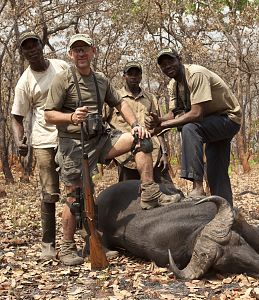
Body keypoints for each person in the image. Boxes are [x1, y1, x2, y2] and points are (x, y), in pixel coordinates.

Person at [44, 34, 181, 266]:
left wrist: (136, 126)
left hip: (100, 140)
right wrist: (70, 116)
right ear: (70, 54)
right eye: (76, 50)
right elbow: (48, 114)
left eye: (84, 49)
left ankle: (149, 192)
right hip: (74, 144)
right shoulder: (62, 79)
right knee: (76, 196)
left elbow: (120, 103)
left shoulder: (100, 80)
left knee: (142, 141)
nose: (81, 54)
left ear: (93, 51)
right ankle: (68, 246)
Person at [145, 48, 242, 206]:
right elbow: (173, 114)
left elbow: (196, 114)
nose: (167, 66)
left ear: (179, 59)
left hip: (228, 119)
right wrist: (159, 121)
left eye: (170, 61)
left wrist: (162, 126)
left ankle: (197, 187)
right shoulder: (173, 85)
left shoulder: (196, 74)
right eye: (163, 64)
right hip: (210, 122)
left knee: (190, 128)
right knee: (216, 170)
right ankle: (226, 209)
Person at [11, 30, 69, 260]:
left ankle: (86, 237)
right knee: (49, 192)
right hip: (43, 140)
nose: (32, 49)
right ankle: (48, 243)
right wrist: (19, 139)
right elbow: (17, 116)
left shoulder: (62, 66)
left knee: (76, 187)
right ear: (23, 53)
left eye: (34, 44)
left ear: (42, 45)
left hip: (69, 135)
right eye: (26, 47)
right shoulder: (24, 82)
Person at [107, 61, 181, 195]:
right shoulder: (114, 98)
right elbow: (103, 124)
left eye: (137, 74)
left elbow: (159, 126)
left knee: (169, 193)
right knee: (129, 197)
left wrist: (164, 153)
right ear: (124, 76)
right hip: (126, 158)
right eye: (130, 74)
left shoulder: (150, 98)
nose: (134, 77)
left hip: (153, 154)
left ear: (141, 76)